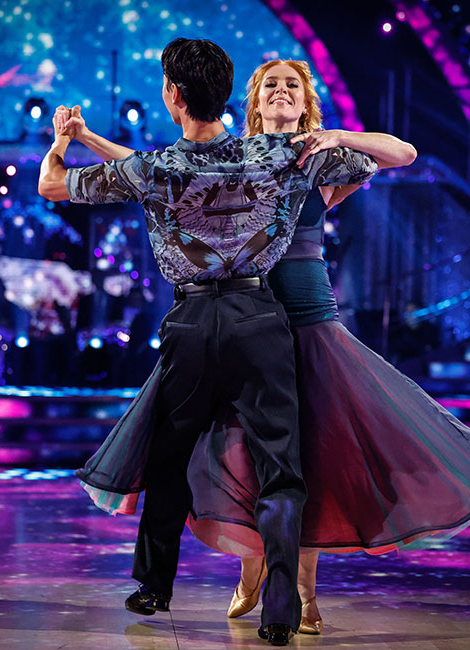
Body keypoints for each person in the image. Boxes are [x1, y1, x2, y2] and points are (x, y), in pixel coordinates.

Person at [69, 57, 470, 637]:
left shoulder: (316, 158)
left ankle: (301, 592)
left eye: (292, 85)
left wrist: (335, 134)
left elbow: (403, 153)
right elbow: (152, 171)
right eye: (270, 87)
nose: (281, 92)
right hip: (243, 318)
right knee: (237, 456)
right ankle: (253, 567)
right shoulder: (235, 154)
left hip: (305, 323)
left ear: (306, 102)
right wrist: (87, 138)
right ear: (253, 103)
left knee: (304, 460)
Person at [38, 38, 378, 646]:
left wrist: (66, 140)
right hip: (261, 319)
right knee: (281, 468)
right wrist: (340, 139)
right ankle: (281, 611)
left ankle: (153, 586)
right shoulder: (273, 155)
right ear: (230, 96)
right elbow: (386, 159)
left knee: (170, 455)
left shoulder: (154, 169)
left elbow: (53, 186)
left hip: (192, 324)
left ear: (172, 95)